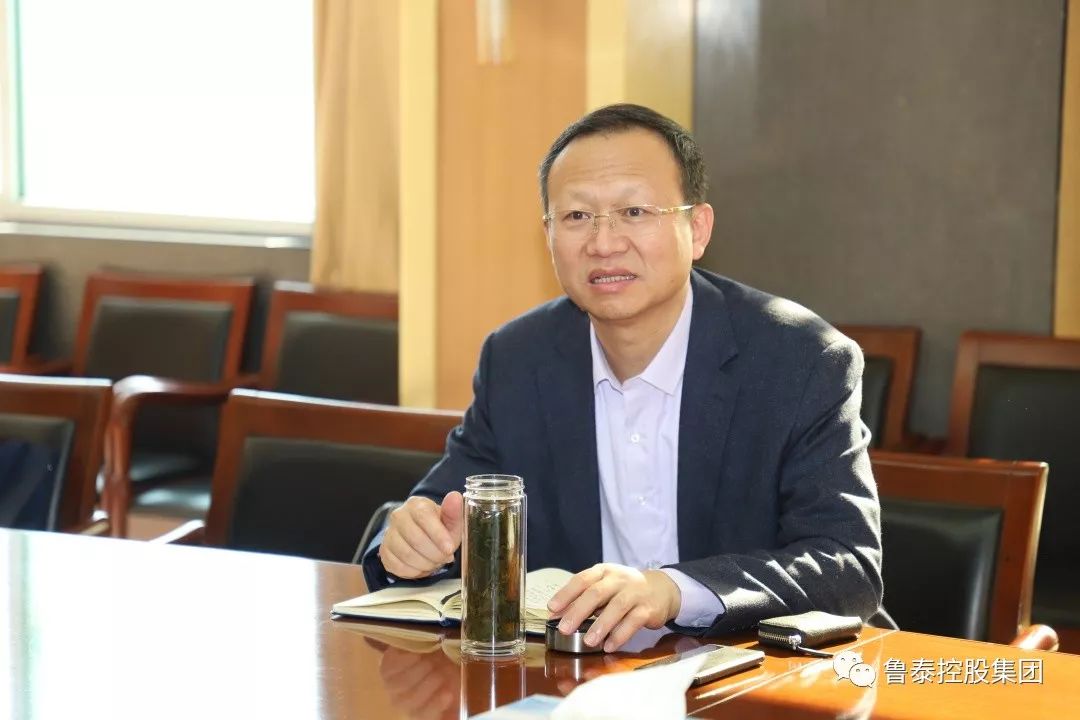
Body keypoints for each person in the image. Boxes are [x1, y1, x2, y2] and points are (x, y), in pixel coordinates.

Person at [363, 103, 882, 652]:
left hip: (758, 671)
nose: (604, 242)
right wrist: (410, 544)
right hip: (577, 676)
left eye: (634, 211)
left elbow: (846, 565)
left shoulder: (800, 360)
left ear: (697, 228)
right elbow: (441, 509)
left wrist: (676, 591)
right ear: (549, 236)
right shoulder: (517, 360)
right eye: (576, 216)